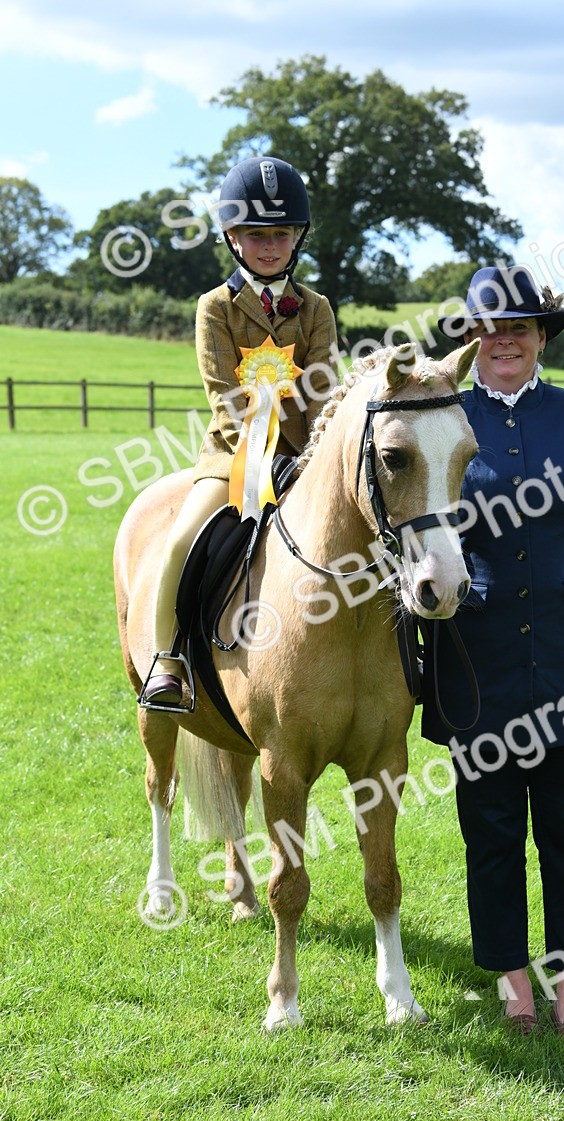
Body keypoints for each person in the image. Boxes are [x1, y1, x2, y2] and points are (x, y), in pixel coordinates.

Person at [422, 265, 564, 1045]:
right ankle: (511, 980)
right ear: (471, 339)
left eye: (519, 327)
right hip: (475, 656)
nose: (504, 340)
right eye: (489, 328)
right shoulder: (443, 417)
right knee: (489, 833)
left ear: (542, 337)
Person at [140, 155, 338, 708]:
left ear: (297, 237)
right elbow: (223, 396)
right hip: (232, 457)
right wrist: (259, 458)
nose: (269, 246)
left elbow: (323, 390)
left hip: (305, 457)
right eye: (256, 235)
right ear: (232, 237)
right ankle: (168, 661)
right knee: (182, 539)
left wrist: (314, 454)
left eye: (280, 234)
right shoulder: (215, 308)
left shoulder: (316, 309)